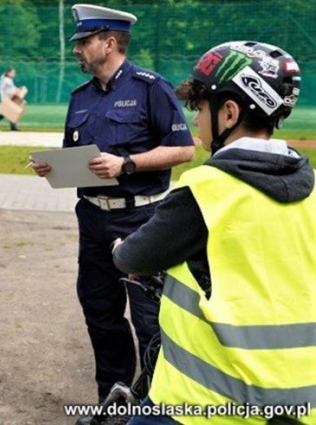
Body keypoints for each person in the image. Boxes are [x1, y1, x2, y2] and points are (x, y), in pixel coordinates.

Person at [114, 41, 315, 424]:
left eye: (200, 109)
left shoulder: (207, 189)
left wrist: (120, 248)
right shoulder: (314, 188)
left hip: (204, 405)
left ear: (229, 112)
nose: (195, 121)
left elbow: (133, 257)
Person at [30, 4, 195, 418]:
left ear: (109, 43)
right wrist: (53, 167)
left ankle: (156, 408)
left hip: (142, 218)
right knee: (100, 313)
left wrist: (128, 163)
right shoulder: (80, 98)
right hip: (93, 218)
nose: (77, 51)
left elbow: (185, 149)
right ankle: (114, 403)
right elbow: (76, 156)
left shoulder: (150, 88)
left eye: (84, 43)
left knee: (149, 319)